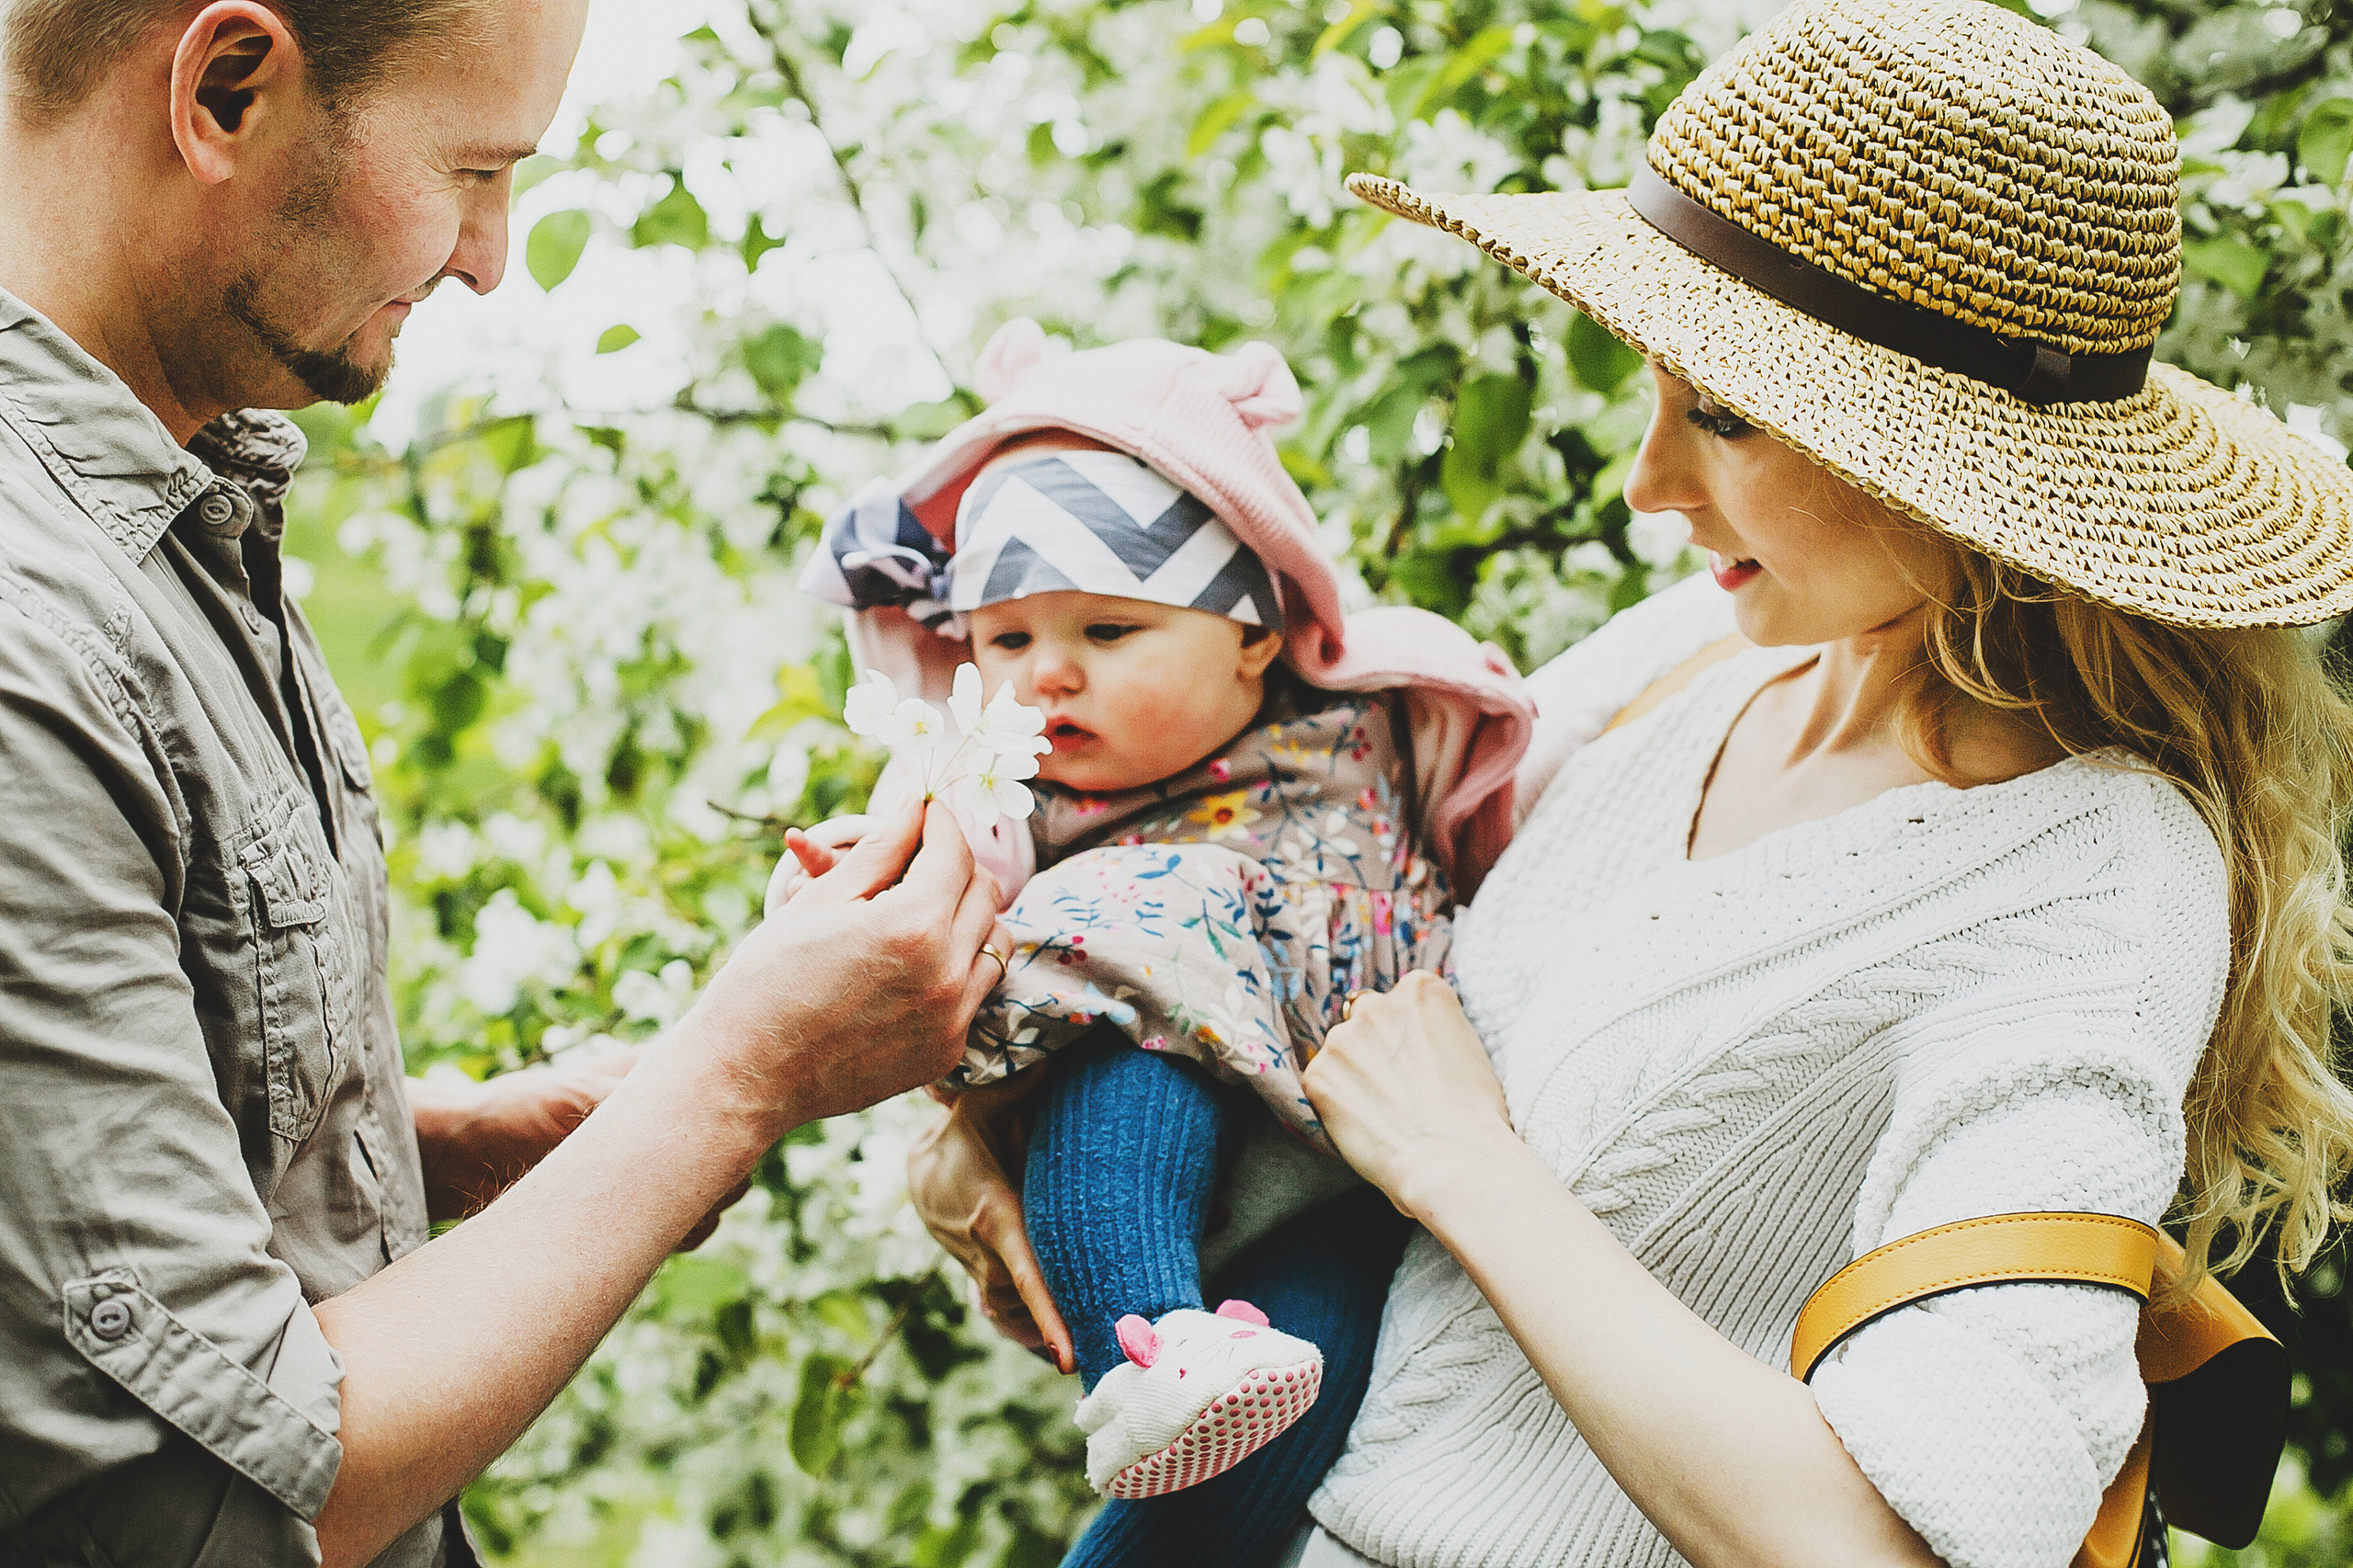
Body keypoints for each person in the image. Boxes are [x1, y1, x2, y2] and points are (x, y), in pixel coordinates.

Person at [912, 0, 2353, 1563]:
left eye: (1721, 416)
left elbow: (1901, 1548)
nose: (1645, 477)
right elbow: (1294, 909)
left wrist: (1471, 1168)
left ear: (1939, 460)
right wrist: (993, 1123)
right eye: (1651, 391)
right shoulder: (1690, 660)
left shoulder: (2091, 875)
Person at [0, 6, 1006, 1567]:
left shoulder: (171, 508)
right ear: (225, 88)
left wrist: (432, 1141)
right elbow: (195, 1506)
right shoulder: (31, 637)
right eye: (473, 167)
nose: (491, 256)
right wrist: (729, 1080)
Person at [785, 322, 1533, 1563]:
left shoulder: (1370, 719)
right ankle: (1153, 1340)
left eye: (1109, 632)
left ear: (1250, 631)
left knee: (1294, 1397)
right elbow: (918, 865)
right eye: (1009, 640)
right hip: (1175, 1147)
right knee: (1119, 1010)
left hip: (1354, 1172)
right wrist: (850, 877)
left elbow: (1488, 811)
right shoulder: (1018, 797)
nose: (1046, 681)